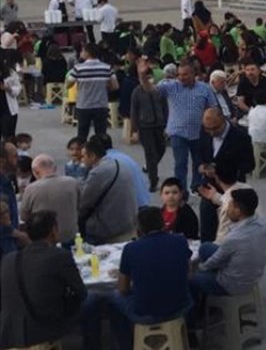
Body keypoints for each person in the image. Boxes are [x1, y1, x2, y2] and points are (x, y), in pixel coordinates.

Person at [81, 207, 192, 350]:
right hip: (181, 305)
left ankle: (126, 344)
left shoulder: (131, 249)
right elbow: (188, 273)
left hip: (146, 312)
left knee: (113, 298)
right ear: (162, 223)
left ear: (139, 228)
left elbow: (123, 289)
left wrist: (136, 279)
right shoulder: (180, 241)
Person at [0, 211, 86, 348]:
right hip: (42, 332)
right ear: (53, 231)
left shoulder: (9, 259)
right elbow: (81, 293)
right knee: (93, 303)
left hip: (9, 334)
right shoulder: (59, 256)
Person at [188, 188, 266, 314]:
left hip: (231, 284)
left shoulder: (234, 238)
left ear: (238, 211)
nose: (227, 209)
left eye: (230, 206)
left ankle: (195, 318)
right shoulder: (264, 225)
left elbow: (214, 261)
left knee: (192, 280)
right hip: (252, 274)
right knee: (205, 247)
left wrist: (197, 268)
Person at [143, 61, 219, 192]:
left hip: (199, 132)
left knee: (199, 163)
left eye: (185, 74)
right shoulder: (171, 86)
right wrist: (142, 76)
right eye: (179, 74)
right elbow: (150, 89)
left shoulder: (205, 88)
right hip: (178, 133)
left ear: (193, 73)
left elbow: (213, 107)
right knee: (180, 163)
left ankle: (196, 187)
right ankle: (182, 191)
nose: (181, 77)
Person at [78, 138, 137, 244]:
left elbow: (84, 202)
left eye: (83, 156)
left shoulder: (98, 172)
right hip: (128, 222)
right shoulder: (119, 164)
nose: (81, 160)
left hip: (108, 228)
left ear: (92, 156)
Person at [19, 154, 80, 245]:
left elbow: (24, 216)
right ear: (55, 168)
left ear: (35, 172)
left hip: (45, 239)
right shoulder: (73, 183)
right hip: (71, 236)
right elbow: (80, 205)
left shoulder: (31, 189)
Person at [130, 61, 169, 191]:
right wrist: (134, 130)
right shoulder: (137, 92)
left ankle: (151, 166)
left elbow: (165, 107)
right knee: (150, 153)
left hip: (159, 124)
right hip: (145, 126)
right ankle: (153, 179)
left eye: (148, 76)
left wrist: (166, 123)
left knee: (161, 149)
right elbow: (134, 112)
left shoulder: (158, 90)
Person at [69, 43, 118, 139]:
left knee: (82, 133)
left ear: (87, 53)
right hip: (101, 104)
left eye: (83, 51)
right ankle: (100, 151)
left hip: (84, 104)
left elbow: (68, 83)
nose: (81, 53)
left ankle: (82, 151)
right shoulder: (106, 67)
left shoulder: (78, 68)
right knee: (101, 133)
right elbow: (115, 86)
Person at [196, 165, 253, 243]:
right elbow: (230, 199)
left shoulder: (229, 207)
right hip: (257, 242)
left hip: (237, 247)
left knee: (205, 248)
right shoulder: (247, 189)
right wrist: (215, 196)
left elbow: (221, 241)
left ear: (217, 178)